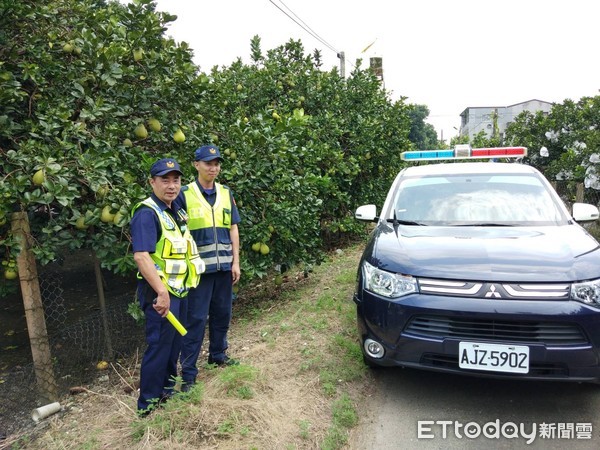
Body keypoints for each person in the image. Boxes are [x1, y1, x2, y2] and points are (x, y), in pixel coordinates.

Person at [130, 158, 204, 415]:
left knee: (173, 348)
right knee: (159, 348)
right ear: (152, 182)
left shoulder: (176, 210)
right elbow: (141, 256)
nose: (171, 185)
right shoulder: (146, 213)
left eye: (176, 180)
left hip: (179, 292)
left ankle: (166, 394)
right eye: (165, 180)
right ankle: (147, 406)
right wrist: (161, 292)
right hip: (160, 295)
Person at [179, 144, 241, 390]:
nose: (213, 168)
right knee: (194, 320)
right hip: (198, 271)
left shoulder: (226, 193)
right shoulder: (184, 194)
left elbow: (233, 228)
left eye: (216, 163)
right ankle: (189, 374)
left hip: (224, 268)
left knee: (222, 315)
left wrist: (236, 261)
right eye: (208, 163)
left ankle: (218, 355)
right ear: (196, 165)